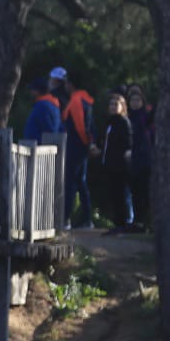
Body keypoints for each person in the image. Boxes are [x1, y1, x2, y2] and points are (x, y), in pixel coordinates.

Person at [59, 73, 97, 228]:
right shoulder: (85, 99)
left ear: (72, 84)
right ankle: (87, 218)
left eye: (67, 83)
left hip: (76, 146)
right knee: (81, 182)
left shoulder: (76, 101)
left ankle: (66, 218)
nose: (66, 86)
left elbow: (81, 127)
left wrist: (86, 144)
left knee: (70, 183)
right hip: (81, 146)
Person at [99, 92, 134, 233]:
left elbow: (127, 143)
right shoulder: (110, 122)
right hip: (110, 164)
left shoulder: (123, 122)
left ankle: (126, 222)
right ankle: (118, 222)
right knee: (114, 194)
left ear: (122, 106)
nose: (113, 107)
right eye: (111, 104)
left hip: (120, 165)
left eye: (116, 104)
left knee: (122, 193)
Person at [126, 85, 154, 229]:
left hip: (144, 158)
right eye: (132, 100)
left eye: (138, 100)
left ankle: (145, 221)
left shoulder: (145, 118)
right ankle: (136, 220)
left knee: (144, 191)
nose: (135, 103)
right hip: (132, 159)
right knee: (135, 191)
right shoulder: (127, 118)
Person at [23, 70, 64, 141]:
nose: (31, 92)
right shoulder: (53, 105)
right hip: (45, 147)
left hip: (38, 147)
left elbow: (47, 128)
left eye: (32, 89)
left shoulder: (42, 106)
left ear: (37, 91)